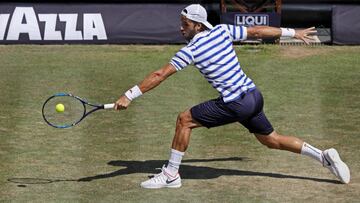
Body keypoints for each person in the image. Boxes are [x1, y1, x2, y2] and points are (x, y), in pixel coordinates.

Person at [114, 4, 350, 189]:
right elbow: (257, 32)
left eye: (185, 24)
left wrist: (129, 95)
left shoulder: (192, 50)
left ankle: (171, 175)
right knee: (271, 140)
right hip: (254, 96)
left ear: (197, 26)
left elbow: (160, 74)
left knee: (184, 120)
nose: (181, 28)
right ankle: (323, 156)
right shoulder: (223, 30)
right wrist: (293, 32)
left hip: (236, 102)